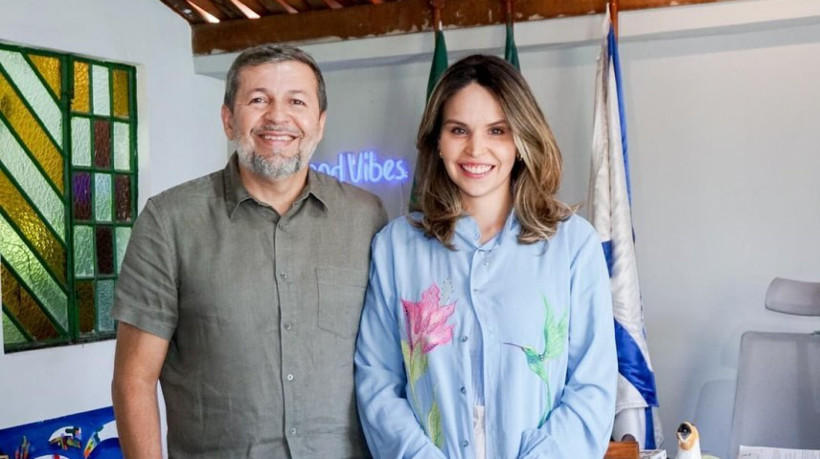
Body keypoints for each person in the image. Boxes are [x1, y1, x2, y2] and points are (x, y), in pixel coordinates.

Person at [111, 44, 387, 458]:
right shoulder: (169, 221)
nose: (277, 117)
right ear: (228, 119)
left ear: (320, 122)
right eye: (258, 100)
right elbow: (133, 380)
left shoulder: (366, 217)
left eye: (296, 101)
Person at [354, 55, 617, 458]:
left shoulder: (573, 245)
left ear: (522, 140)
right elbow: (377, 382)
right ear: (437, 142)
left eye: (497, 130)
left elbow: (593, 386)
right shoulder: (395, 247)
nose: (476, 148)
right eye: (458, 130)